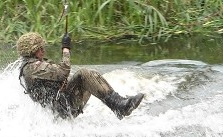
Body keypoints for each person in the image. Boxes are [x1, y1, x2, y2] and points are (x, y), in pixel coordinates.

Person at [16, 32, 144, 120]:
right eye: (40, 49)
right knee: (84, 74)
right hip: (62, 109)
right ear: (31, 51)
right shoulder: (32, 68)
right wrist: (66, 49)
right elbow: (63, 71)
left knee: (90, 75)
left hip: (59, 107)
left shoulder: (29, 67)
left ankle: (118, 103)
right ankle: (119, 106)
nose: (43, 51)